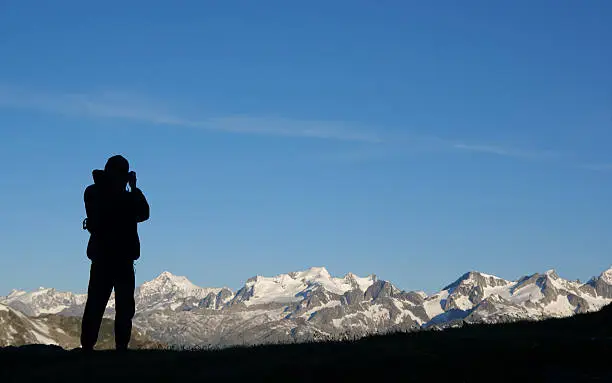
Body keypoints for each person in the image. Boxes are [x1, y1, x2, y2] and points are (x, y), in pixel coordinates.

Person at [80, 155, 150, 351]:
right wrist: (133, 188)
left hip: (104, 257)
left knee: (97, 304)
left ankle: (88, 347)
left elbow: (142, 213)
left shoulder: (93, 192)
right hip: (120, 259)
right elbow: (143, 212)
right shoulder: (118, 197)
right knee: (122, 307)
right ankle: (119, 347)